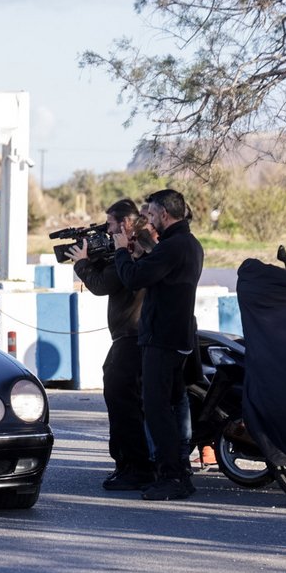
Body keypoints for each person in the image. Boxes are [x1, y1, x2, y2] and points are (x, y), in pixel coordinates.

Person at [113, 189, 204, 501]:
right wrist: (144, 250)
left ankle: (172, 476)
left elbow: (135, 278)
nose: (147, 219)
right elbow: (159, 271)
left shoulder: (174, 246)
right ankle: (180, 471)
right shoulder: (187, 244)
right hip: (176, 337)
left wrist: (122, 251)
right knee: (172, 405)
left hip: (162, 339)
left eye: (151, 214)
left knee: (156, 409)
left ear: (165, 214)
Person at [66, 199, 152, 491]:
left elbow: (103, 285)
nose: (108, 230)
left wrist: (82, 263)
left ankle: (136, 468)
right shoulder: (130, 250)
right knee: (128, 404)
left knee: (122, 403)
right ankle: (130, 465)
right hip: (133, 337)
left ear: (126, 224)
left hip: (131, 338)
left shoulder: (132, 252)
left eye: (111, 225)